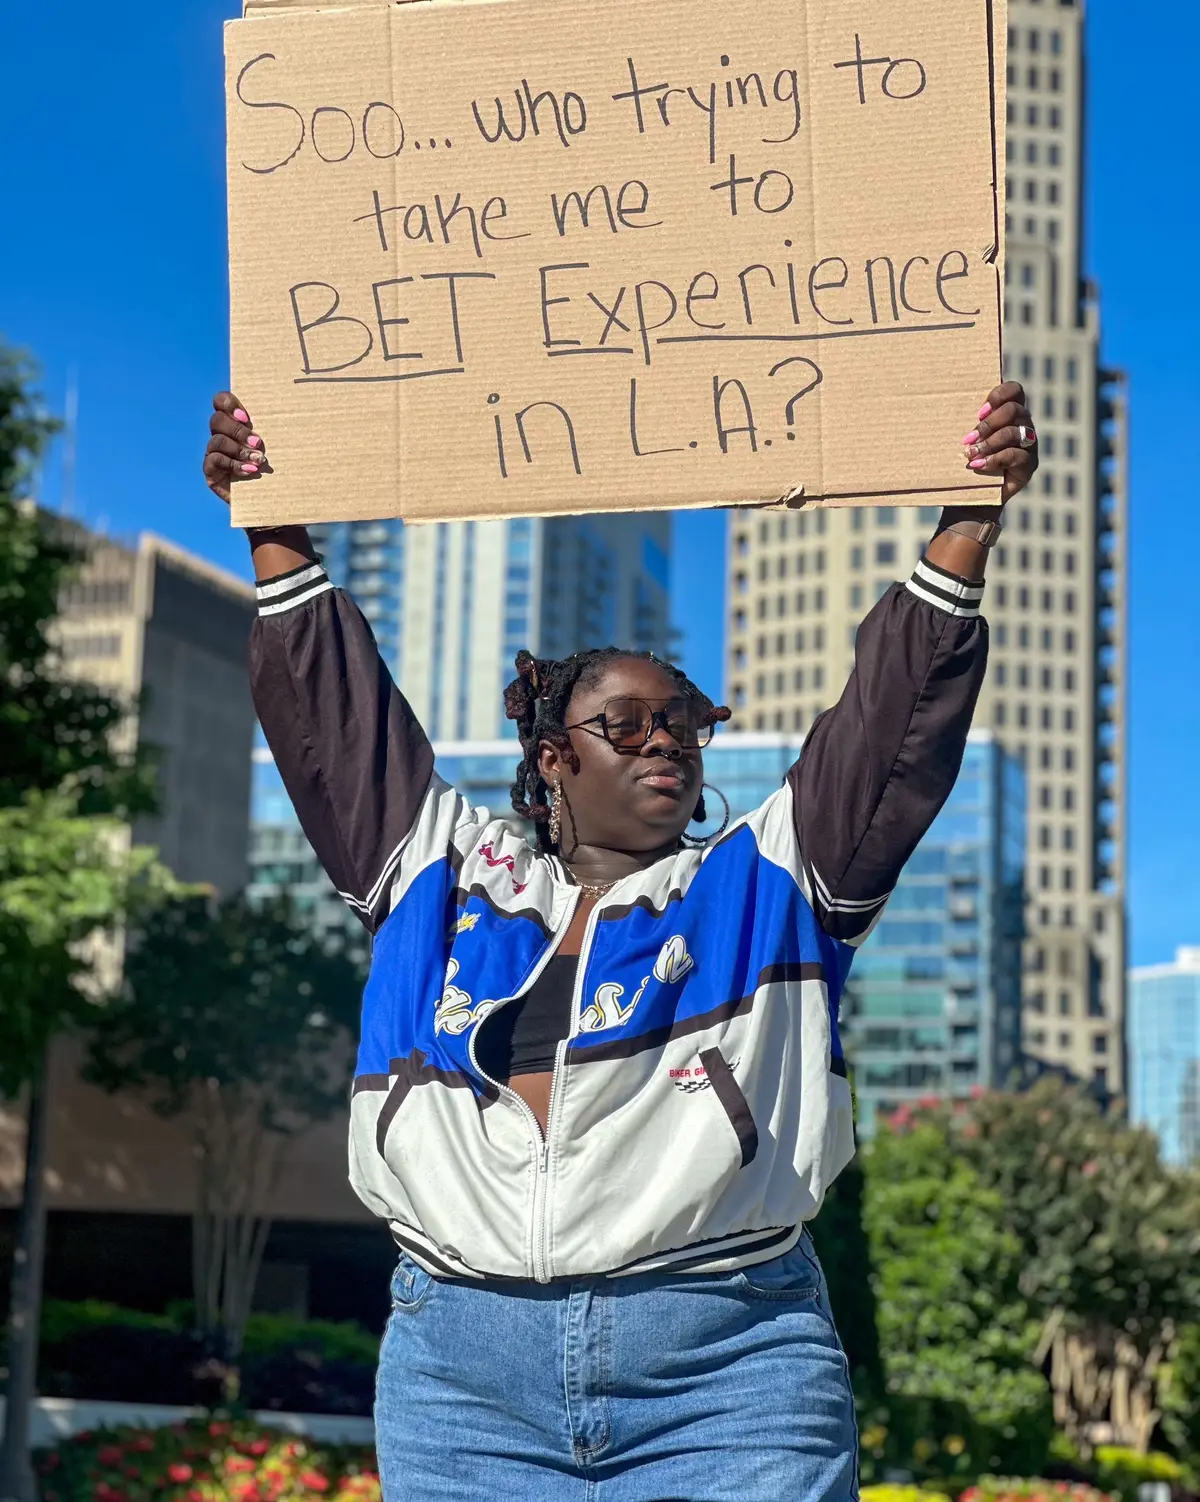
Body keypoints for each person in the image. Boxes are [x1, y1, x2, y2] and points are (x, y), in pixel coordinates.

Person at [204, 382, 1038, 1501]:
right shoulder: (439, 873)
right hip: (462, 1381)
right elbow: (337, 726)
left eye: (687, 722)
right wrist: (275, 524)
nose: (669, 743)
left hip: (728, 1367)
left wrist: (967, 527)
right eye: (629, 723)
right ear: (553, 757)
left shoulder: (771, 880)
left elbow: (889, 729)